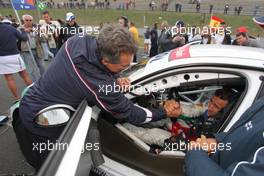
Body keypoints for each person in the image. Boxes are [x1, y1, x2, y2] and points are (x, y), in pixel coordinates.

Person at [13, 25, 182, 170]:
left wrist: (113, 78)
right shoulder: (98, 84)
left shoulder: (78, 40)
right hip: (42, 120)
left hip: (35, 99)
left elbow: (91, 72)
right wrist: (164, 112)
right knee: (54, 164)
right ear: (105, 60)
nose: (125, 68)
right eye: (123, 66)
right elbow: (130, 113)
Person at [185, 95, 264, 176]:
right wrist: (217, 140)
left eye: (216, 106)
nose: (210, 107)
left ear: (224, 112)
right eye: (211, 101)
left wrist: (195, 153)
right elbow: (244, 132)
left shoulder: (217, 123)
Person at [0, 22, 32, 101]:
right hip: (14, 56)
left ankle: (17, 98)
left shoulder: (10, 27)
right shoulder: (10, 28)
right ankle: (35, 93)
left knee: (9, 79)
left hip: (2, 57)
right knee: (25, 76)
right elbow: (24, 38)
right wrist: (23, 31)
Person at [20, 14, 45, 81]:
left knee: (42, 66)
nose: (29, 21)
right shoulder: (20, 29)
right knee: (31, 69)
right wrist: (24, 32)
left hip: (37, 50)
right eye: (27, 20)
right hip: (27, 51)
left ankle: (44, 81)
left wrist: (38, 32)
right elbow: (17, 39)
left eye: (30, 20)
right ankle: (34, 83)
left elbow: (43, 40)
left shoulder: (37, 28)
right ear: (23, 21)